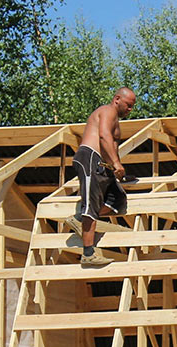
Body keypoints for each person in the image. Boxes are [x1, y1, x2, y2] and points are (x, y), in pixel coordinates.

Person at [72, 87, 137, 267]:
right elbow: (103, 136)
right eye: (128, 105)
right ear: (117, 99)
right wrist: (116, 163)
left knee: (118, 200)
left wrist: (119, 173)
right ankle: (88, 253)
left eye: (132, 107)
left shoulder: (116, 120)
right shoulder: (107, 111)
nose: (130, 110)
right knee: (91, 204)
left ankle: (79, 218)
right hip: (90, 158)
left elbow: (111, 147)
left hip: (102, 165)